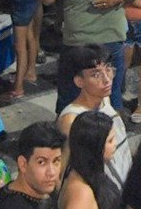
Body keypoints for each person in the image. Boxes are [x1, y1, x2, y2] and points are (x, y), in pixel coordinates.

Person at [55, 45, 134, 190]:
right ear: (79, 81)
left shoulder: (104, 99)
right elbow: (63, 169)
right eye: (95, 75)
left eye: (108, 69)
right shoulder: (71, 120)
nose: (106, 79)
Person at [57, 111, 121, 209]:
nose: (115, 144)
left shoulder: (83, 174)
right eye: (110, 141)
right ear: (94, 146)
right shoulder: (81, 193)